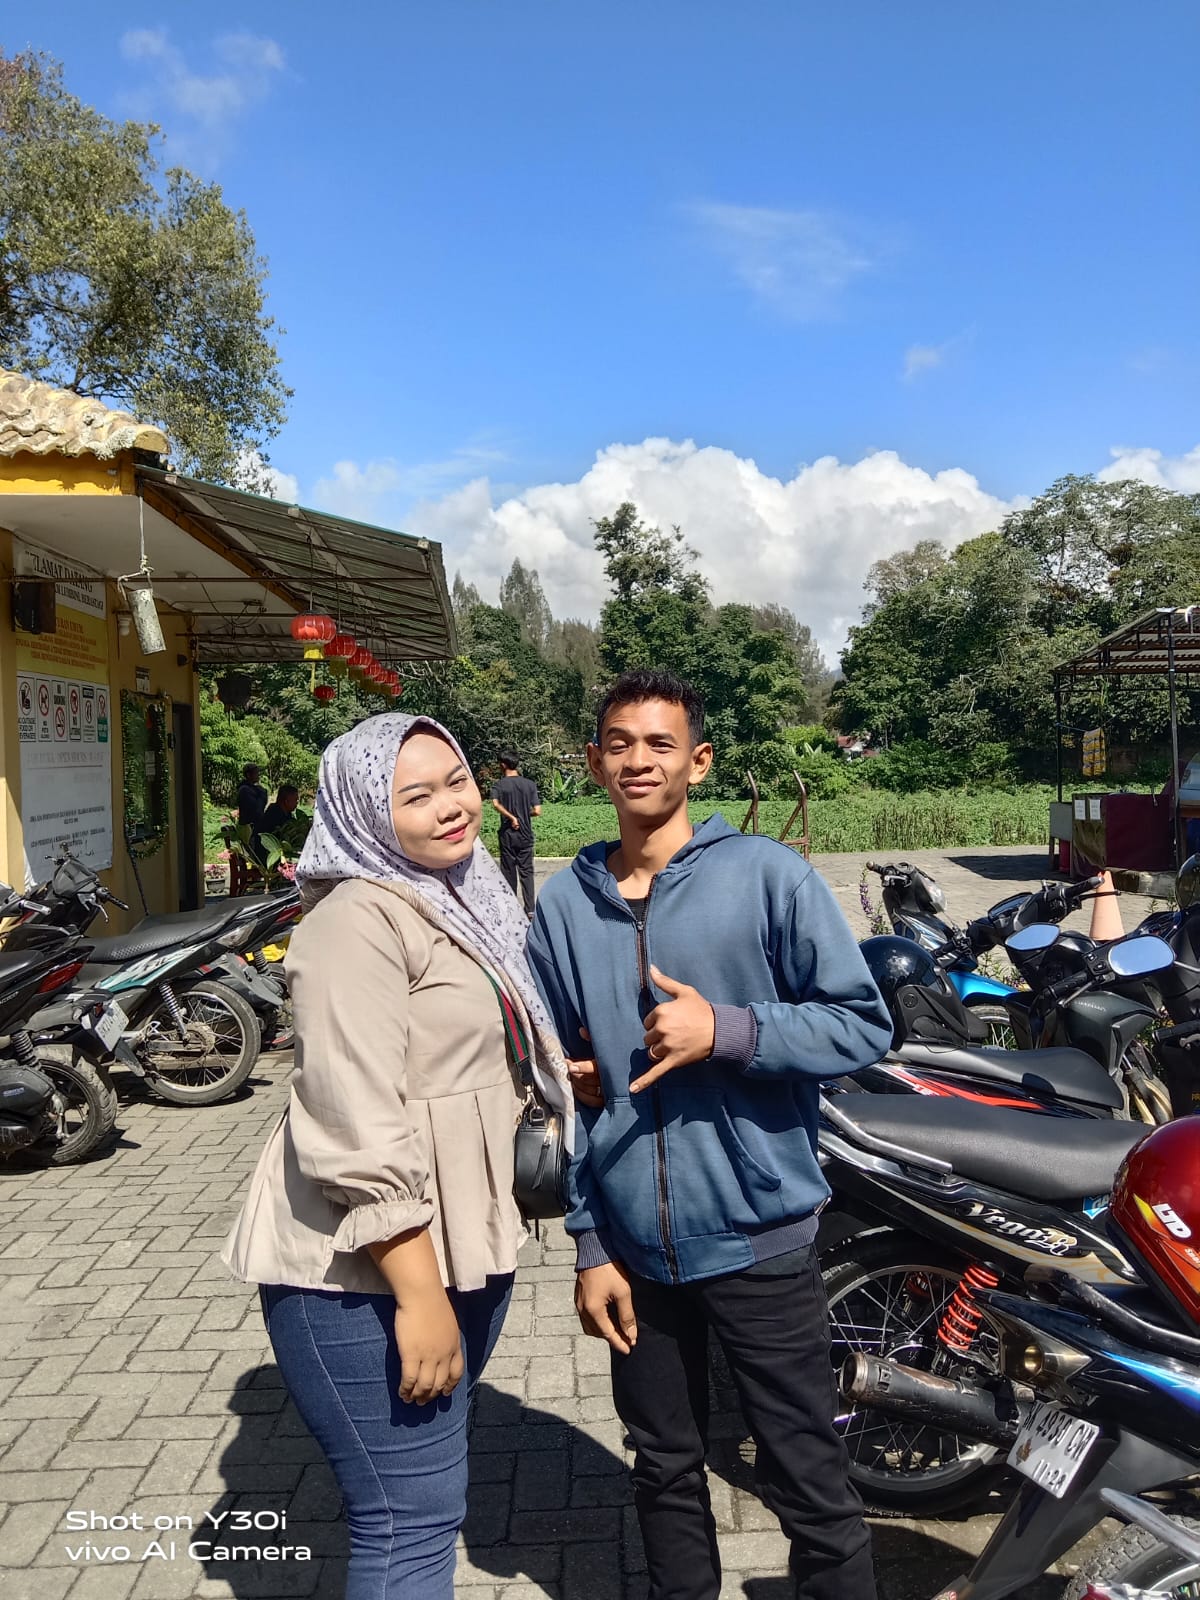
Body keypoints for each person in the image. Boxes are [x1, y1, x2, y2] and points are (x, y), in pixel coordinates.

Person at [526, 669, 892, 1600]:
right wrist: (591, 1242)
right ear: (594, 762)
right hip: (633, 1252)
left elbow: (861, 1025)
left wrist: (726, 1030)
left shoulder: (768, 876)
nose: (638, 760)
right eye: (619, 743)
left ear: (699, 761)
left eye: (661, 743)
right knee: (662, 1464)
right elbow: (566, 1092)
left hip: (760, 1236)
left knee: (806, 1472)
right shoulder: (564, 907)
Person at [220, 713, 570, 1600]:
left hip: (462, 1245)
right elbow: (354, 1121)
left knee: (418, 1503)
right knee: (408, 1519)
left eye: (456, 781)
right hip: (366, 1270)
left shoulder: (460, 891)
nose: (451, 807)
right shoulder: (356, 921)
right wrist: (419, 1297)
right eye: (415, 796)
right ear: (365, 813)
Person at [490, 751, 541, 915]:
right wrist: (524, 815)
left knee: (509, 871)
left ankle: (512, 908)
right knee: (527, 872)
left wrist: (511, 817)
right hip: (525, 834)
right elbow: (537, 811)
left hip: (508, 835)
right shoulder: (529, 784)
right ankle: (530, 909)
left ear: (503, 764)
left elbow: (495, 804)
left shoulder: (499, 785)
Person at [251, 783, 300, 864]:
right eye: (295, 800)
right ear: (286, 801)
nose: (297, 802)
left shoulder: (286, 814)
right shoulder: (274, 816)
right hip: (267, 856)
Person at [237, 763, 268, 831]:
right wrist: (262, 794)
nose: (258, 775)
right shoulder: (244, 790)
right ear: (248, 775)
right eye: (256, 773)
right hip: (248, 827)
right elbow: (257, 810)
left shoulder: (254, 789)